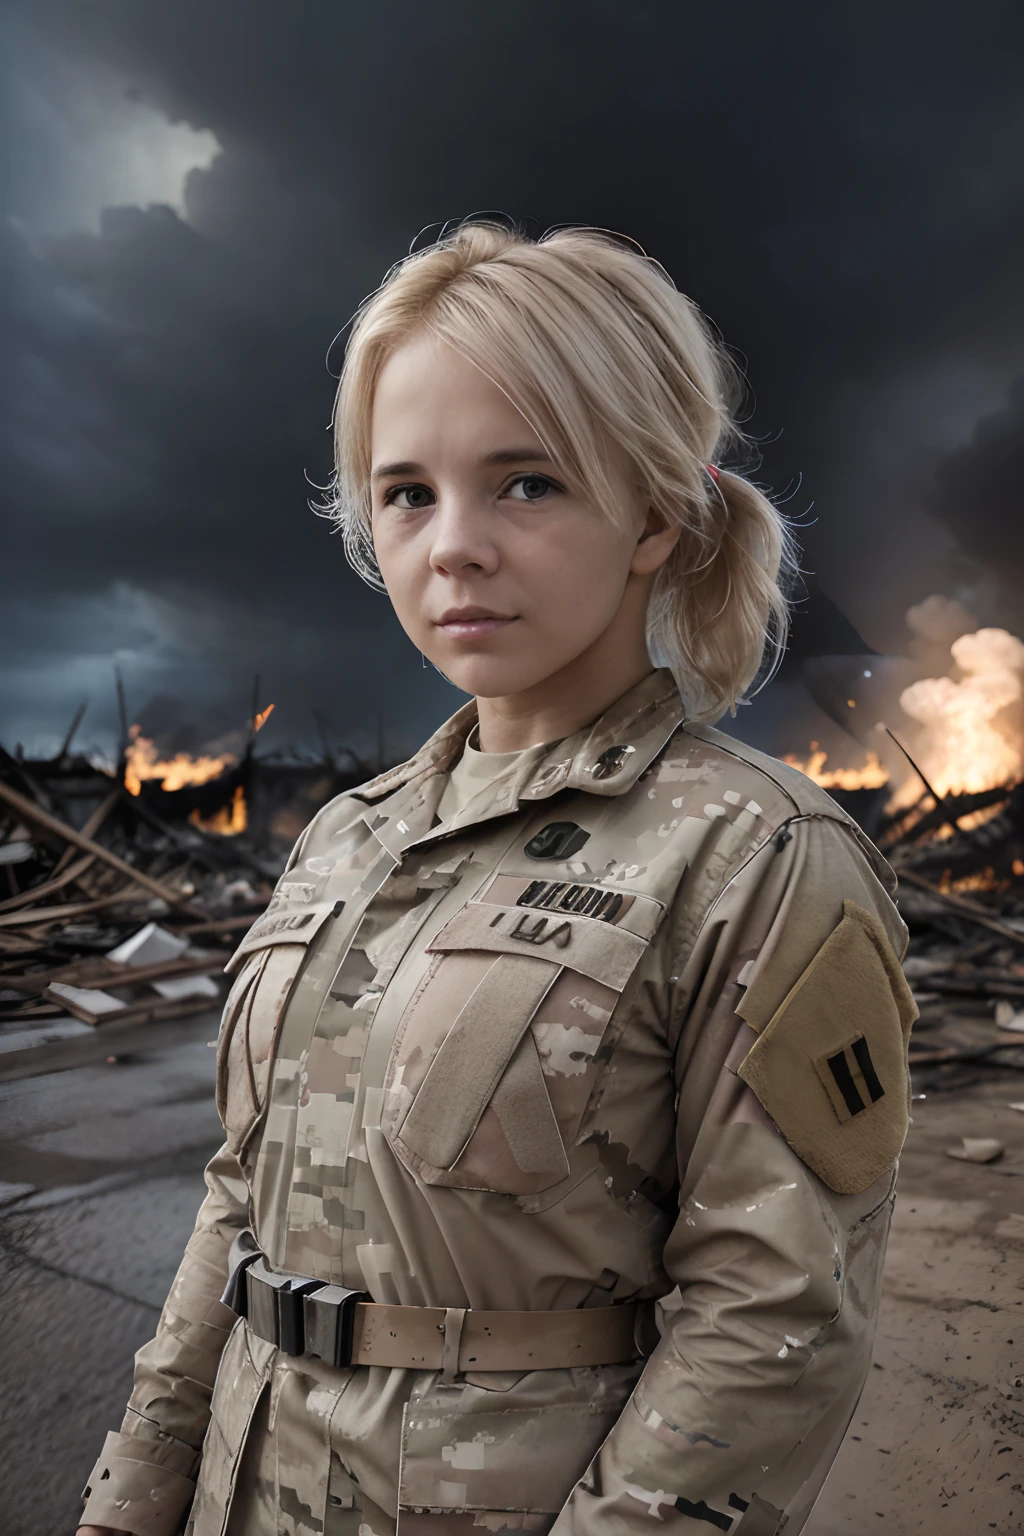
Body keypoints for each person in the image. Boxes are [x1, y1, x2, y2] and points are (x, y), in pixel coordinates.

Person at [78, 221, 916, 1536]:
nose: (451, 544)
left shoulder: (755, 853)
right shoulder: (348, 836)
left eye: (524, 482)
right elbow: (235, 1209)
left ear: (655, 510)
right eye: (406, 492)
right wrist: (130, 1497)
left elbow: (770, 1334)